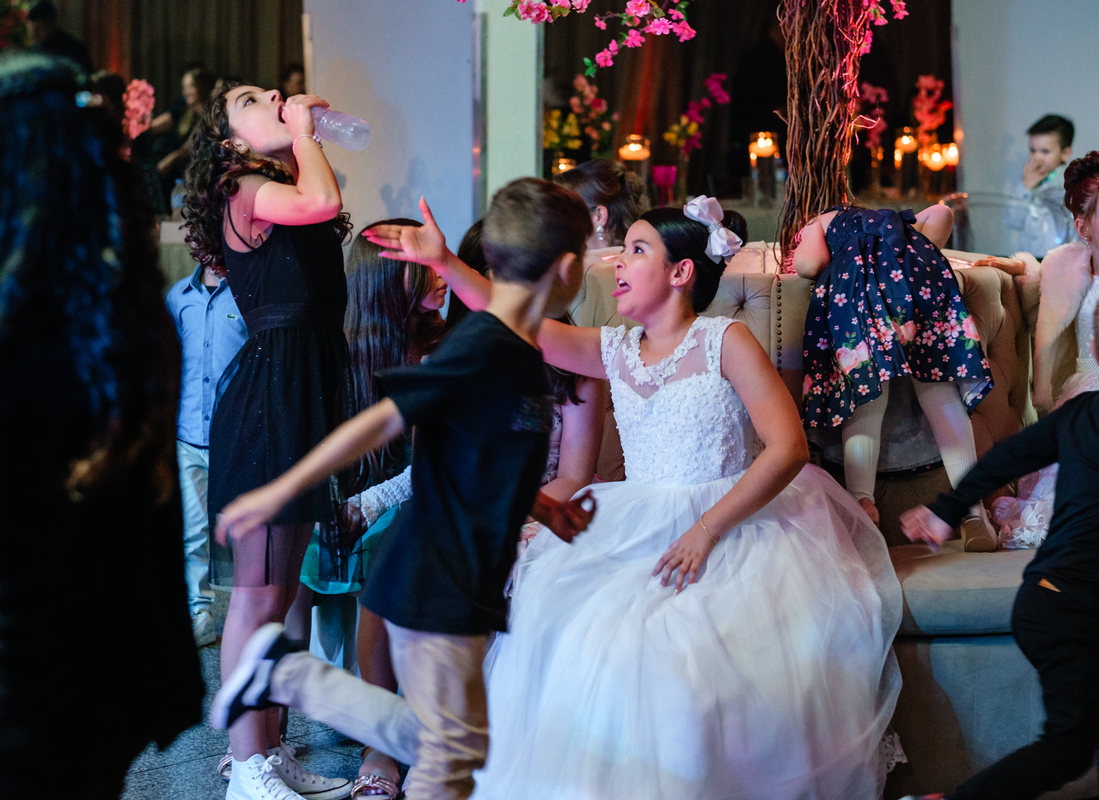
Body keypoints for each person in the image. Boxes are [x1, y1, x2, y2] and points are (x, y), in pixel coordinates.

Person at [355, 195, 903, 800]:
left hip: (732, 524)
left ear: (680, 272)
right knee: (568, 628)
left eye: (637, 249)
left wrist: (707, 530)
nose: (618, 262)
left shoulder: (727, 340)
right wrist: (449, 265)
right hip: (633, 520)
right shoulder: (613, 349)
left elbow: (788, 448)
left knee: (682, 655)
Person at [210, 178, 597, 800]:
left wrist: (544, 508)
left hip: (464, 577)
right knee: (447, 760)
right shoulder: (482, 345)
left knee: (453, 746)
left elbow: (479, 457)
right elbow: (384, 419)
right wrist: (280, 487)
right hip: (435, 576)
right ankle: (283, 673)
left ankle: (282, 673)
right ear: (571, 267)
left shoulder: (521, 350)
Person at [0, 52, 203, 799]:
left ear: (15, 182)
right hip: (12, 651)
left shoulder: (36, 343)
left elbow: (47, 575)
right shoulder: (79, 303)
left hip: (15, 671)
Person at [182, 80, 353, 800]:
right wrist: (306, 129)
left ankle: (271, 753)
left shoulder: (272, 183)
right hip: (270, 399)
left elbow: (322, 202)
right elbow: (324, 202)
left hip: (300, 390)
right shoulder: (246, 187)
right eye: (253, 99)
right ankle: (246, 767)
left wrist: (301, 135)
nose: (277, 97)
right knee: (254, 597)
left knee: (280, 594)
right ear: (227, 141)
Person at [898, 299, 1099, 800]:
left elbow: (1008, 455)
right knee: (1068, 748)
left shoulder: (1081, 414)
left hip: (1047, 600)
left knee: (1071, 746)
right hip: (1072, 603)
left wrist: (945, 511)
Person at [296, 219, 447, 799]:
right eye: (423, 266)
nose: (441, 275)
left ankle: (380, 743)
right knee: (297, 544)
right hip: (351, 496)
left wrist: (368, 502)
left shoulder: (440, 348)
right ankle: (267, 736)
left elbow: (435, 461)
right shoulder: (340, 351)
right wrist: (332, 504)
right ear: (389, 278)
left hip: (418, 494)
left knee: (388, 539)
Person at [794, 204, 996, 549]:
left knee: (867, 398)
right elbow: (943, 214)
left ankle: (862, 502)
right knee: (939, 392)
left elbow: (808, 265)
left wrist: (811, 237)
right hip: (920, 287)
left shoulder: (819, 221)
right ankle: (973, 510)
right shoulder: (898, 221)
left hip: (858, 297)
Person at [984, 151, 1099, 549]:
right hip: (1088, 384)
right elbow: (1046, 289)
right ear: (1083, 226)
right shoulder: (1066, 265)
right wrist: (1023, 270)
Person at [166, 262, 248, 646]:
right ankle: (199, 611)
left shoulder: (248, 293)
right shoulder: (178, 297)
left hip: (234, 438)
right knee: (193, 530)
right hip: (186, 436)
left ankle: (248, 615)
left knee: (246, 531)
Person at [1005, 114, 1076, 257]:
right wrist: (1026, 187)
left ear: (1065, 153)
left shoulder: (1071, 184)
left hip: (1059, 263)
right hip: (1030, 262)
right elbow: (1012, 222)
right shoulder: (1024, 182)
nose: (1037, 157)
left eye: (1045, 151)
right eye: (1032, 150)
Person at [24, 0, 92, 75]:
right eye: (30, 29)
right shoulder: (35, 47)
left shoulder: (73, 49)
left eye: (39, 29)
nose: (33, 34)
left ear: (52, 25)